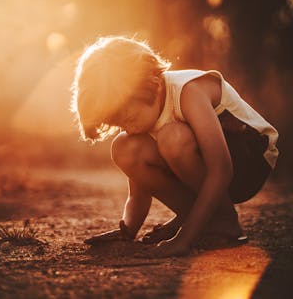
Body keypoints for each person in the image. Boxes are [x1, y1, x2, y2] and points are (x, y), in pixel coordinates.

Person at [70, 36, 279, 257]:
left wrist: (183, 239)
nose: (128, 128)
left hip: (249, 160)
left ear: (154, 84)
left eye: (129, 118)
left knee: (173, 137)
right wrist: (127, 230)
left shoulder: (189, 92)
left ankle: (225, 223)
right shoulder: (143, 116)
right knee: (124, 148)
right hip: (211, 172)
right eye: (118, 123)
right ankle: (200, 220)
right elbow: (139, 193)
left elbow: (221, 170)